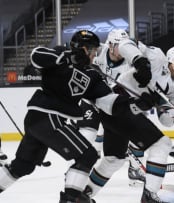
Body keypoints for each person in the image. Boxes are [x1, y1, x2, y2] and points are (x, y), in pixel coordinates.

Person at [0, 30, 140, 203]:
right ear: (84, 49)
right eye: (94, 51)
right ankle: (71, 200)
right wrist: (68, 56)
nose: (95, 55)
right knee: (87, 155)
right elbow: (36, 55)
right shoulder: (61, 55)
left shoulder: (93, 75)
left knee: (22, 166)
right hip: (47, 117)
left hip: (44, 121)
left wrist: (137, 103)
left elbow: (108, 102)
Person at [82, 29, 174, 203]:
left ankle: (83, 195)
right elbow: (124, 43)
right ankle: (150, 196)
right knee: (162, 144)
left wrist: (170, 112)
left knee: (113, 159)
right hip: (118, 103)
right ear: (172, 59)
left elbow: (166, 121)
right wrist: (140, 63)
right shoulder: (157, 57)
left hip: (119, 113)